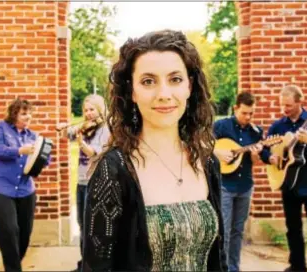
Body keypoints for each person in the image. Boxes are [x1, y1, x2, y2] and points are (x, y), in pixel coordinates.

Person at [82, 30, 228, 271]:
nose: (164, 95)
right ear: (132, 92)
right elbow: (96, 266)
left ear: (189, 87)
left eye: (175, 79)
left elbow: (218, 257)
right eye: (148, 81)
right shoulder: (114, 171)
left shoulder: (207, 162)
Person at [261, 85, 307, 272]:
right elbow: (265, 149)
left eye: (289, 105)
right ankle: (297, 266)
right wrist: (270, 157)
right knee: (293, 229)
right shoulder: (278, 126)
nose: (284, 109)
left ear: (300, 102)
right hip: (288, 184)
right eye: (282, 105)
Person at [0, 98, 50, 272]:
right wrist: (19, 151)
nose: (28, 116)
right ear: (14, 114)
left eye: (30, 113)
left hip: (25, 190)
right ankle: (13, 269)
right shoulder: (0, 128)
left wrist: (42, 158)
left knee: (24, 234)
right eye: (24, 113)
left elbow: (46, 158)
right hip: (0, 189)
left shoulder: (32, 136)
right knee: (9, 230)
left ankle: (14, 264)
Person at [56, 94, 111, 272]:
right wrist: (63, 128)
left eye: (91, 109)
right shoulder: (85, 127)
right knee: (82, 224)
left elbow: (91, 153)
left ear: (100, 110)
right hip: (81, 182)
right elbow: (66, 134)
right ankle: (83, 263)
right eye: (85, 110)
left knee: (92, 227)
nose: (88, 113)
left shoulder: (105, 130)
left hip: (95, 183)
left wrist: (80, 142)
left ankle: (92, 265)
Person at [213, 92, 265, 272]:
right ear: (236, 108)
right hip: (225, 186)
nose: (248, 117)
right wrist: (218, 153)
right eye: (245, 113)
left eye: (251, 113)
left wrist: (256, 155)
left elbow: (258, 161)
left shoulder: (256, 132)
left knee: (237, 232)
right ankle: (222, 267)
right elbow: (204, 144)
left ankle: (234, 268)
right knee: (224, 231)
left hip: (245, 187)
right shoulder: (221, 126)